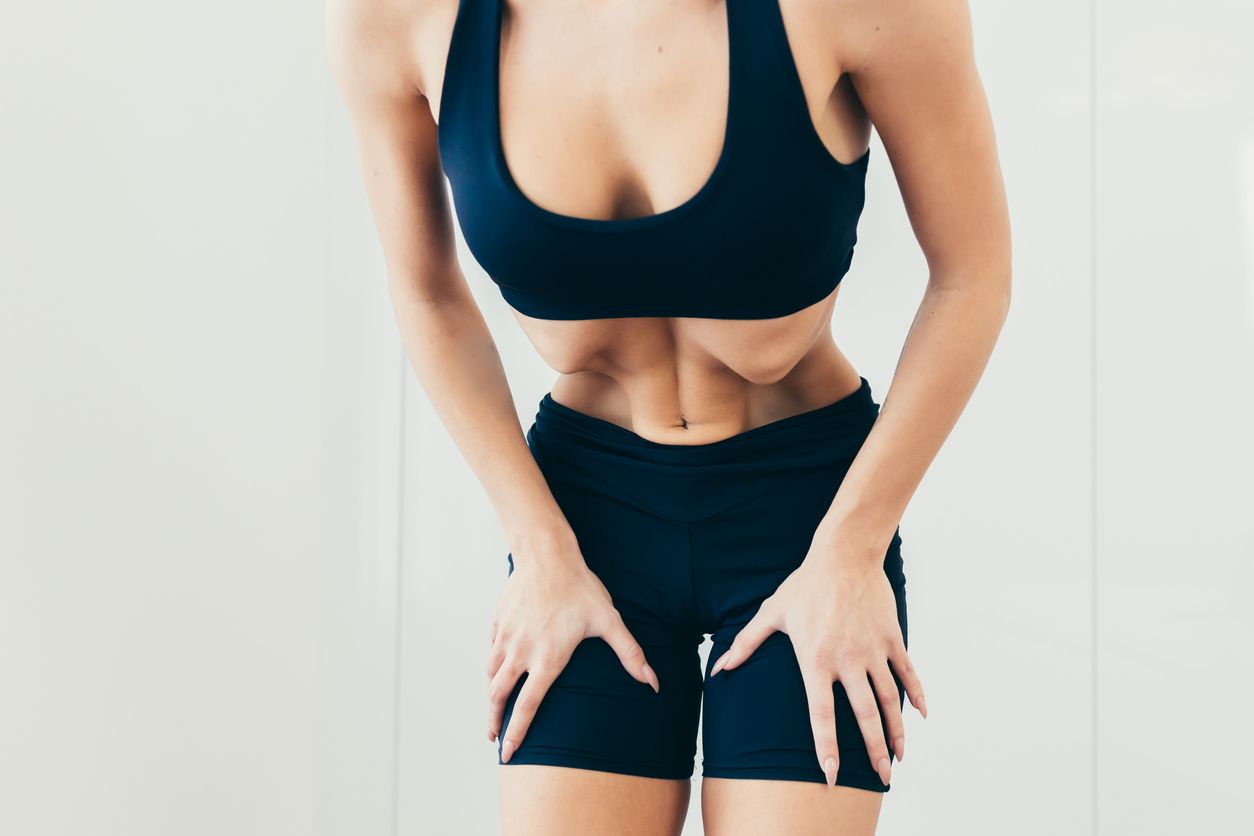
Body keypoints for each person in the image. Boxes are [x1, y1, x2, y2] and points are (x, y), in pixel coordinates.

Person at [326, 0, 1010, 832]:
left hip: (807, 517)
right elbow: (427, 294)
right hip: (583, 521)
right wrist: (539, 551)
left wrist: (852, 551)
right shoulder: (396, 17)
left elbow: (972, 274)